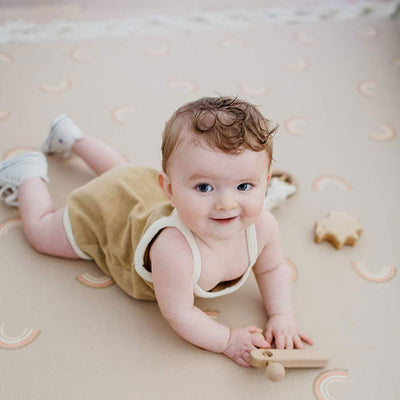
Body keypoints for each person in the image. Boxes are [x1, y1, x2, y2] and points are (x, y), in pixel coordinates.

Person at [0, 96, 313, 367]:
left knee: (123, 171)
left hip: (140, 188)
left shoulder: (264, 227)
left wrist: (282, 315)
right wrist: (228, 339)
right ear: (171, 189)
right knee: (42, 231)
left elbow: (272, 268)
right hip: (109, 219)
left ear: (266, 181)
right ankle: (28, 174)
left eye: (245, 186)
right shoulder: (174, 250)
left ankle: (72, 137)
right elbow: (180, 313)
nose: (226, 203)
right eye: (204, 187)